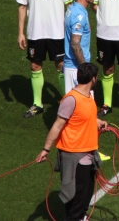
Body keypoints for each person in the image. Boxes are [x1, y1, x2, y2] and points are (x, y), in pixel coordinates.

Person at [36, 62, 107, 221]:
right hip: (74, 156)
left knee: (86, 194)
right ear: (93, 79)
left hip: (88, 153)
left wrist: (97, 122)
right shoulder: (71, 99)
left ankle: (80, 217)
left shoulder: (88, 97)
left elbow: (83, 117)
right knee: (76, 197)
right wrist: (46, 149)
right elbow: (57, 125)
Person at [16, 0, 75, 118]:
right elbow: (22, 7)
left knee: (61, 66)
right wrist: (21, 33)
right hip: (36, 33)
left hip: (58, 33)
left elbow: (70, 6)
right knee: (35, 66)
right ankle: (37, 104)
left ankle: (68, 101)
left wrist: (72, 30)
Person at [63, 0, 95, 94]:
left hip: (72, 66)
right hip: (76, 68)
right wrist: (85, 69)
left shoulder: (73, 8)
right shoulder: (79, 15)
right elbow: (75, 43)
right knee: (82, 103)